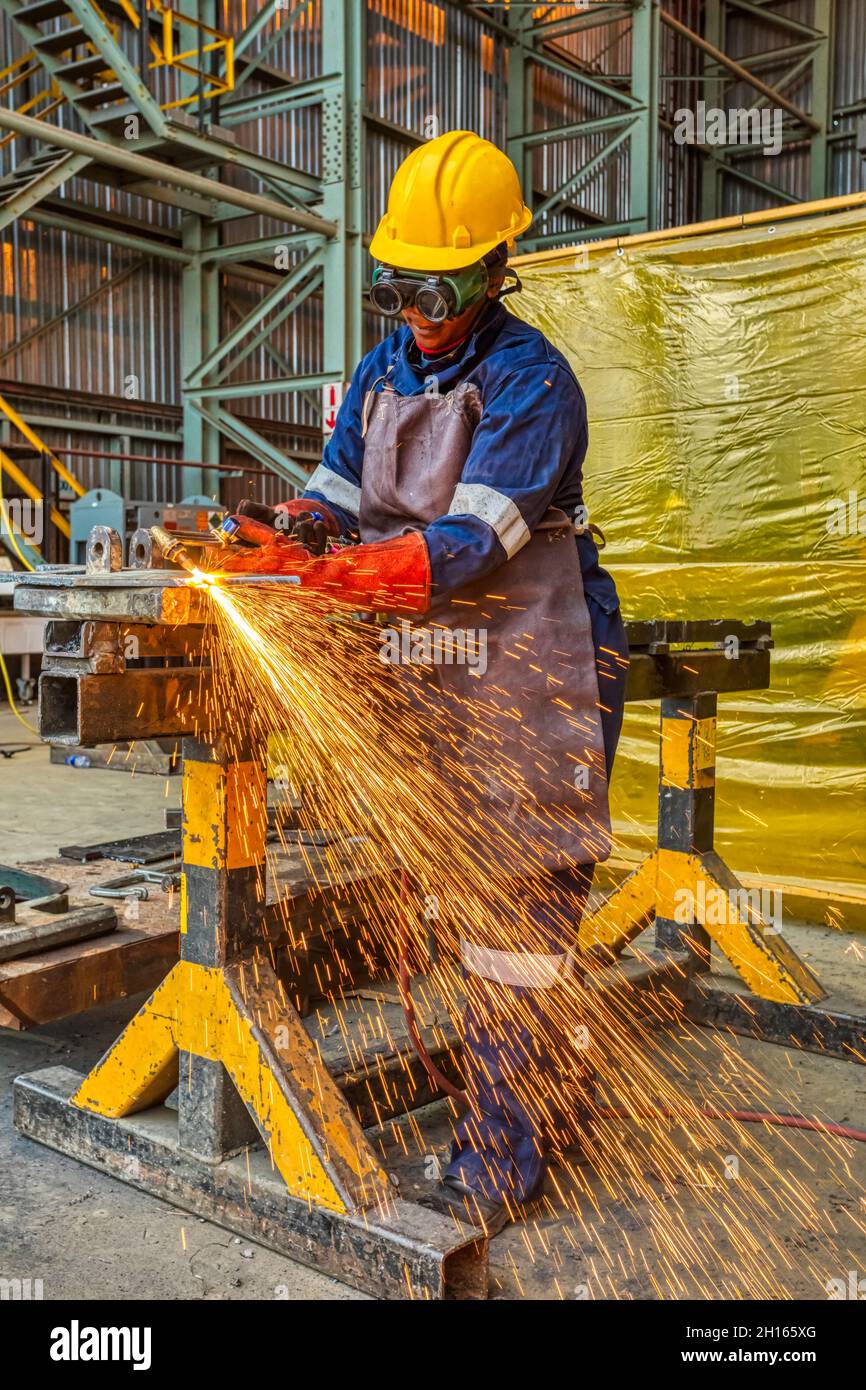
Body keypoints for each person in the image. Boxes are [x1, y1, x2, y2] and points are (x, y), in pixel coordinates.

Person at [225, 129, 628, 1234]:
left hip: (529, 666)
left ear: (498, 268)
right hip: (433, 667)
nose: (416, 306)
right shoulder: (379, 370)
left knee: (517, 923)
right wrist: (288, 532)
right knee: (452, 915)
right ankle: (544, 1099)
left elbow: (464, 547)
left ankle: (502, 1159)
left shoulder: (531, 379)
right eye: (397, 283)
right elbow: (334, 492)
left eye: (437, 284)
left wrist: (332, 572)